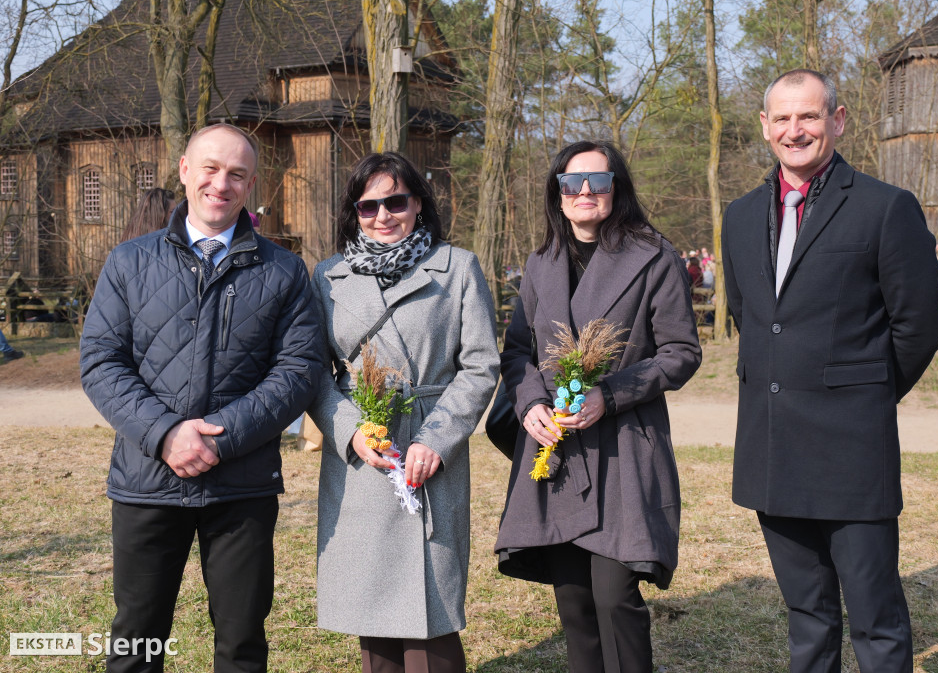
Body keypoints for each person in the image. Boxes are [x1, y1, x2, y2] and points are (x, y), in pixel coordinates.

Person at [721, 69, 938, 673]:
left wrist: (862, 393)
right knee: (808, 617)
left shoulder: (885, 207)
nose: (795, 130)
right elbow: (752, 318)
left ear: (838, 121)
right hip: (773, 446)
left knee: (876, 619)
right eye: (783, 118)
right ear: (765, 126)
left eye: (810, 116)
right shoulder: (740, 216)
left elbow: (919, 326)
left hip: (852, 449)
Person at [80, 124, 323, 672]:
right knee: (136, 640)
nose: (221, 183)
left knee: (241, 643)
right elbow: (101, 360)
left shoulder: (283, 270)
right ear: (185, 171)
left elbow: (298, 370)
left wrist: (220, 438)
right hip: (147, 480)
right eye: (210, 168)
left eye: (237, 174)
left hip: (241, 483)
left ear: (251, 185)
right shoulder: (129, 261)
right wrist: (166, 433)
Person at [493, 139, 702, 673]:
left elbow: (681, 352)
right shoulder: (541, 263)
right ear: (557, 192)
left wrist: (609, 395)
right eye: (572, 181)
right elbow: (518, 352)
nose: (584, 190)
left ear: (617, 188)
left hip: (623, 448)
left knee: (615, 599)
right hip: (557, 450)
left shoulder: (654, 256)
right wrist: (531, 403)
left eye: (598, 180)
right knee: (575, 605)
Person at [308, 151, 499, 673]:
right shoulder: (327, 277)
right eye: (368, 206)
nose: (383, 215)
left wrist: (437, 439)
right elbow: (313, 373)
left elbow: (481, 365)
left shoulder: (457, 267)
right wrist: (351, 432)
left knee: (430, 609)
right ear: (354, 212)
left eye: (395, 201)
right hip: (362, 458)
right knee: (372, 607)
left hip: (428, 449)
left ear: (418, 203)